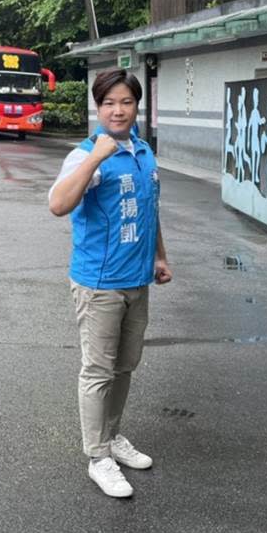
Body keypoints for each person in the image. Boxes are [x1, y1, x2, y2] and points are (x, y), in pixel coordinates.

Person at [49, 68, 172, 498]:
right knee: (98, 370)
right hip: (99, 284)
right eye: (108, 103)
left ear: (138, 106)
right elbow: (58, 204)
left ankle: (113, 436)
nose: (118, 110)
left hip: (137, 280)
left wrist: (159, 256)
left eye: (125, 102)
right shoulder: (85, 154)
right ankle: (98, 456)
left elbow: (148, 208)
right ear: (98, 108)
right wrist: (97, 156)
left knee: (125, 366)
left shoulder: (143, 151)